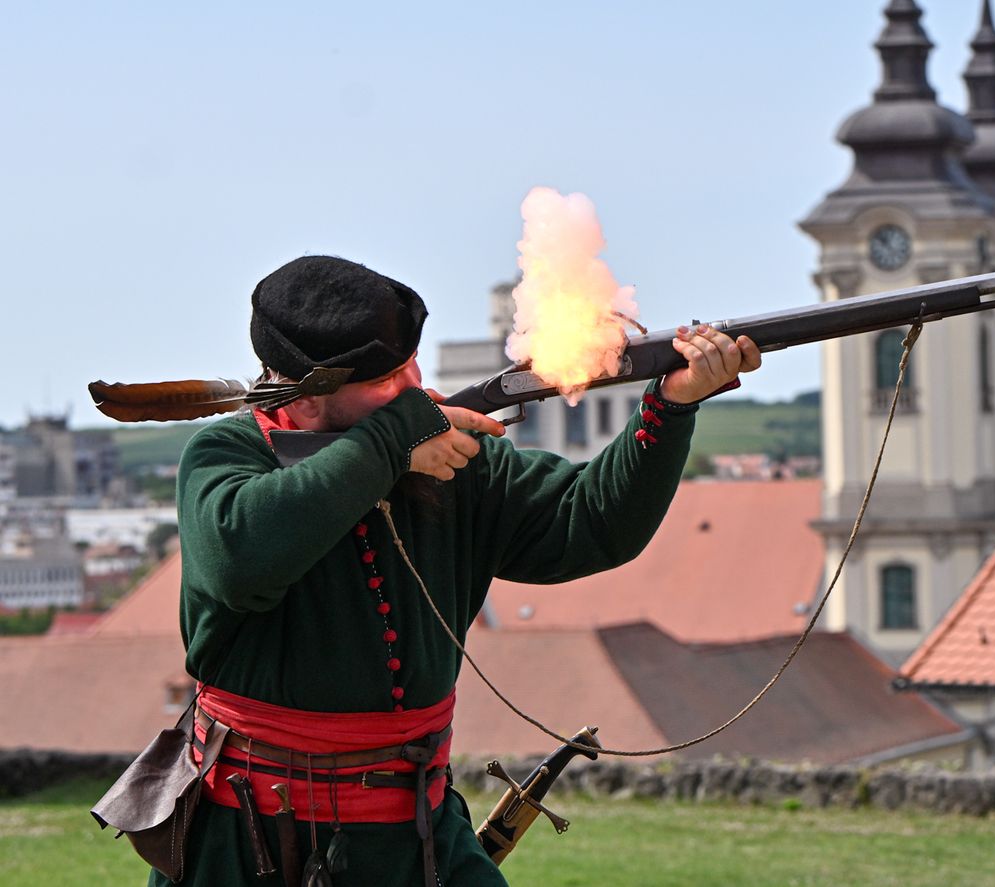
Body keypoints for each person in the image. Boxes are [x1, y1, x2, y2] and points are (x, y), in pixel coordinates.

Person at [162, 254, 760, 887]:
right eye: (387, 378)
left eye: (406, 367)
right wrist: (395, 440)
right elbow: (241, 559)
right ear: (308, 405)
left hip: (415, 825)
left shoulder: (447, 452)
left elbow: (592, 526)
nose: (413, 386)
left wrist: (670, 406)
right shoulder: (229, 454)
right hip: (248, 837)